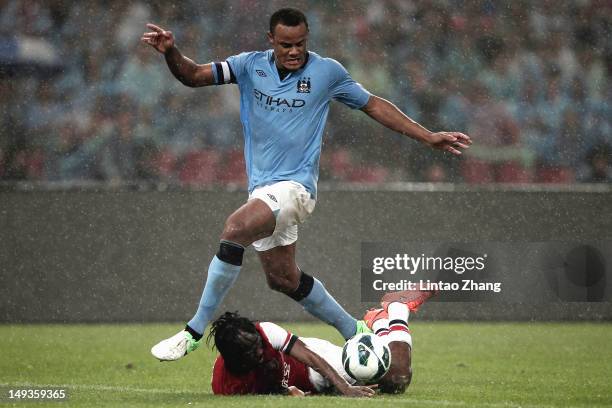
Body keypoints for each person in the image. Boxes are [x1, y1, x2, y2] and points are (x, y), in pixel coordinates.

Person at [142, 8, 471, 361]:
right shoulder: (249, 66)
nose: (294, 51)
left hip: (296, 189)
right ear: (271, 41)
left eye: (300, 43)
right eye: (286, 45)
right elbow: (192, 75)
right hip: (263, 191)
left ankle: (193, 331)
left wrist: (427, 137)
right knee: (282, 278)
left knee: (235, 228)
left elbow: (373, 105)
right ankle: (357, 331)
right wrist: (171, 52)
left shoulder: (326, 72)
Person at [209, 289, 429, 396]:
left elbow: (310, 357)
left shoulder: (265, 331)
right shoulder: (226, 386)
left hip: (316, 366)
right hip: (311, 387)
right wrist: (288, 392)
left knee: (396, 379)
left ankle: (396, 311)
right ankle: (379, 323)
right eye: (250, 352)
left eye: (258, 345)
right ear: (232, 359)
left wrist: (345, 387)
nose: (259, 352)